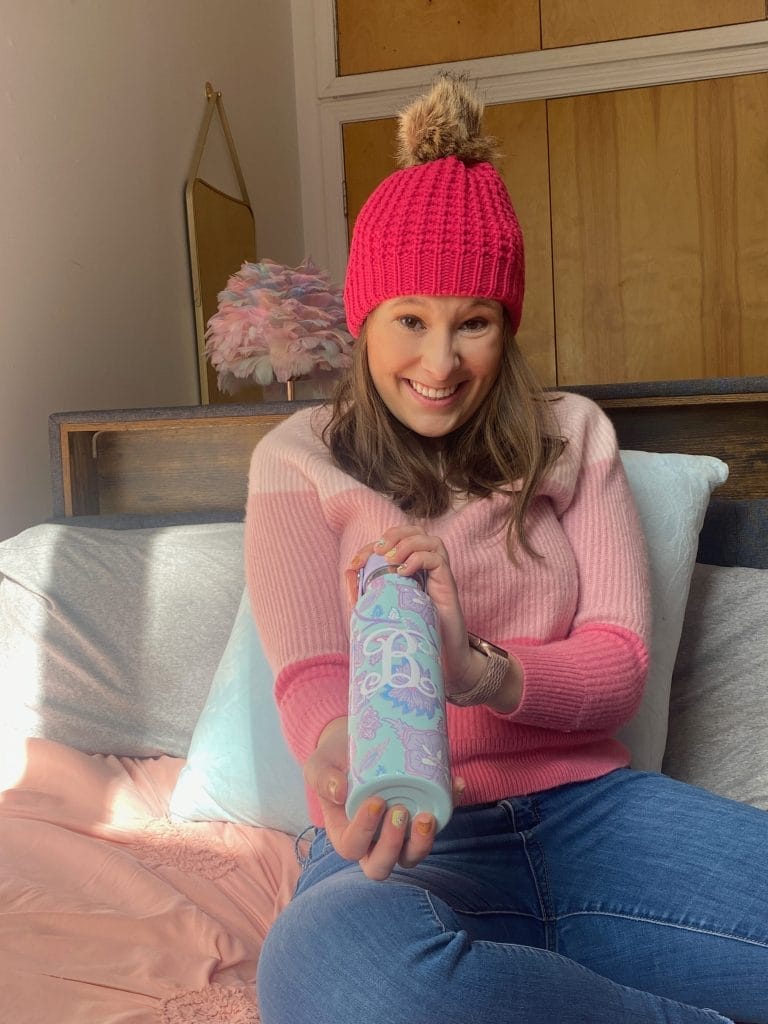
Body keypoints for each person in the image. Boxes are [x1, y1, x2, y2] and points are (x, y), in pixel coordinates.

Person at [246, 74, 768, 1024]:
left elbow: (618, 667)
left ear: (507, 324)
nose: (440, 363)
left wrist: (474, 669)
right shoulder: (300, 457)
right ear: (365, 319)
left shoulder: (572, 435)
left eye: (473, 323)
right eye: (411, 319)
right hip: (411, 832)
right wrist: (336, 753)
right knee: (328, 971)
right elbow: (315, 673)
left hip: (596, 818)